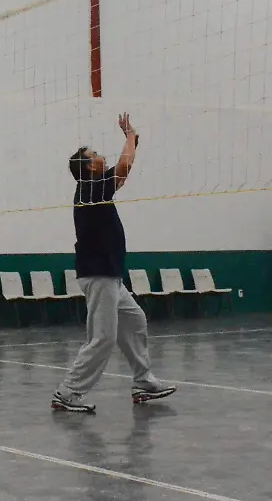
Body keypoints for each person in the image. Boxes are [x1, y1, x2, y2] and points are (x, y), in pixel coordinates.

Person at [52, 112, 176, 413]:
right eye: (94, 154)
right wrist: (130, 136)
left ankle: (143, 381)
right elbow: (124, 166)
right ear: (87, 167)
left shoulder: (98, 187)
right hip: (98, 274)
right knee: (103, 338)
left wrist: (131, 139)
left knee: (134, 320)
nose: (99, 155)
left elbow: (122, 170)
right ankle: (68, 392)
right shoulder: (90, 188)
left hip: (110, 273)